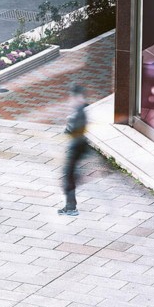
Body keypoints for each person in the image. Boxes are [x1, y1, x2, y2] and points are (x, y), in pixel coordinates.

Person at [59, 84, 88, 216]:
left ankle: (71, 208)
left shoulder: (80, 112)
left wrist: (70, 125)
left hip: (76, 149)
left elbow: (76, 132)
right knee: (69, 178)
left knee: (69, 178)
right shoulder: (79, 110)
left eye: (73, 96)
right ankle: (70, 206)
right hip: (76, 149)